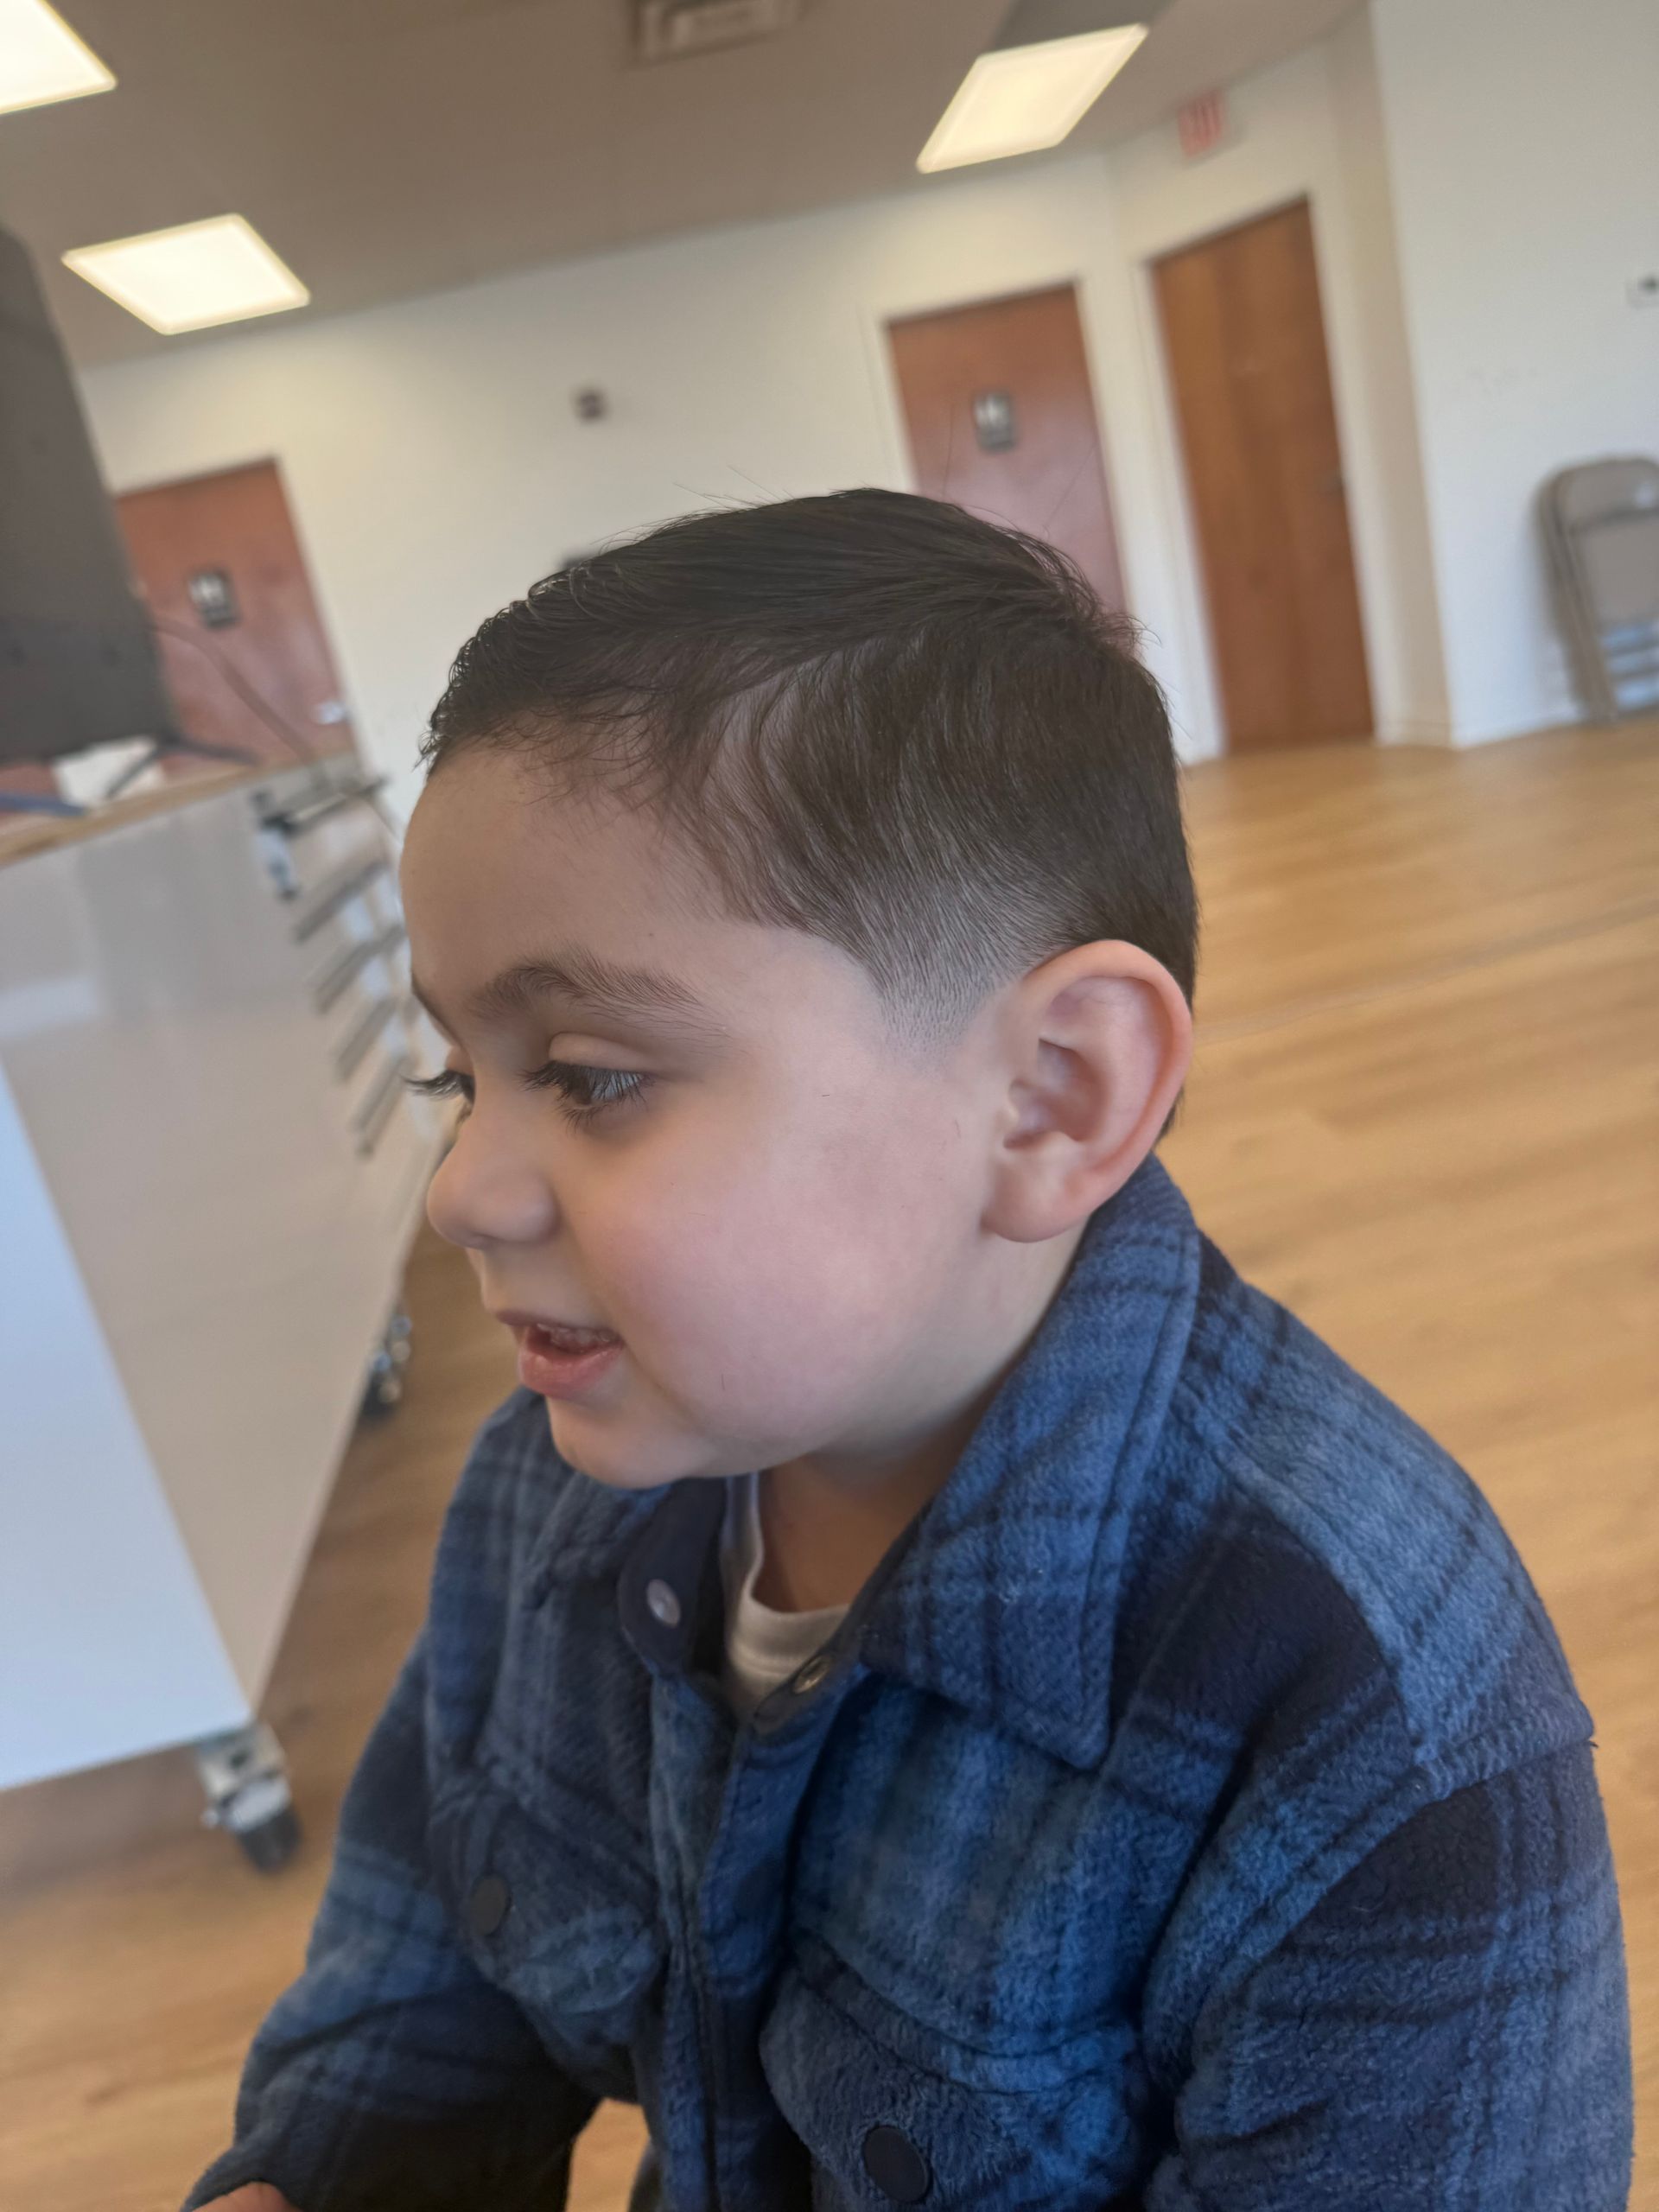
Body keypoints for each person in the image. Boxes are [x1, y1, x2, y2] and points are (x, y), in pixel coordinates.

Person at [188, 492, 1631, 2212]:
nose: (462, 1191)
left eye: (590, 1075)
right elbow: (422, 1989)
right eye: (458, 1074)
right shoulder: (549, 1476)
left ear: (1053, 1094)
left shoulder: (1378, 1723)